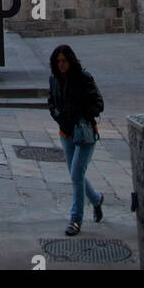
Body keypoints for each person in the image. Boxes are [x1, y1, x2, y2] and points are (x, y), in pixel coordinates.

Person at [48, 43, 105, 235]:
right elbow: (51, 102)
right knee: (76, 174)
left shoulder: (84, 78)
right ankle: (96, 200)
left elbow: (98, 103)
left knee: (76, 174)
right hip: (66, 133)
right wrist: (59, 116)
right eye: (58, 62)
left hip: (85, 134)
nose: (61, 65)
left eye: (64, 61)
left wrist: (82, 116)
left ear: (71, 61)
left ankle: (76, 219)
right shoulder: (54, 80)